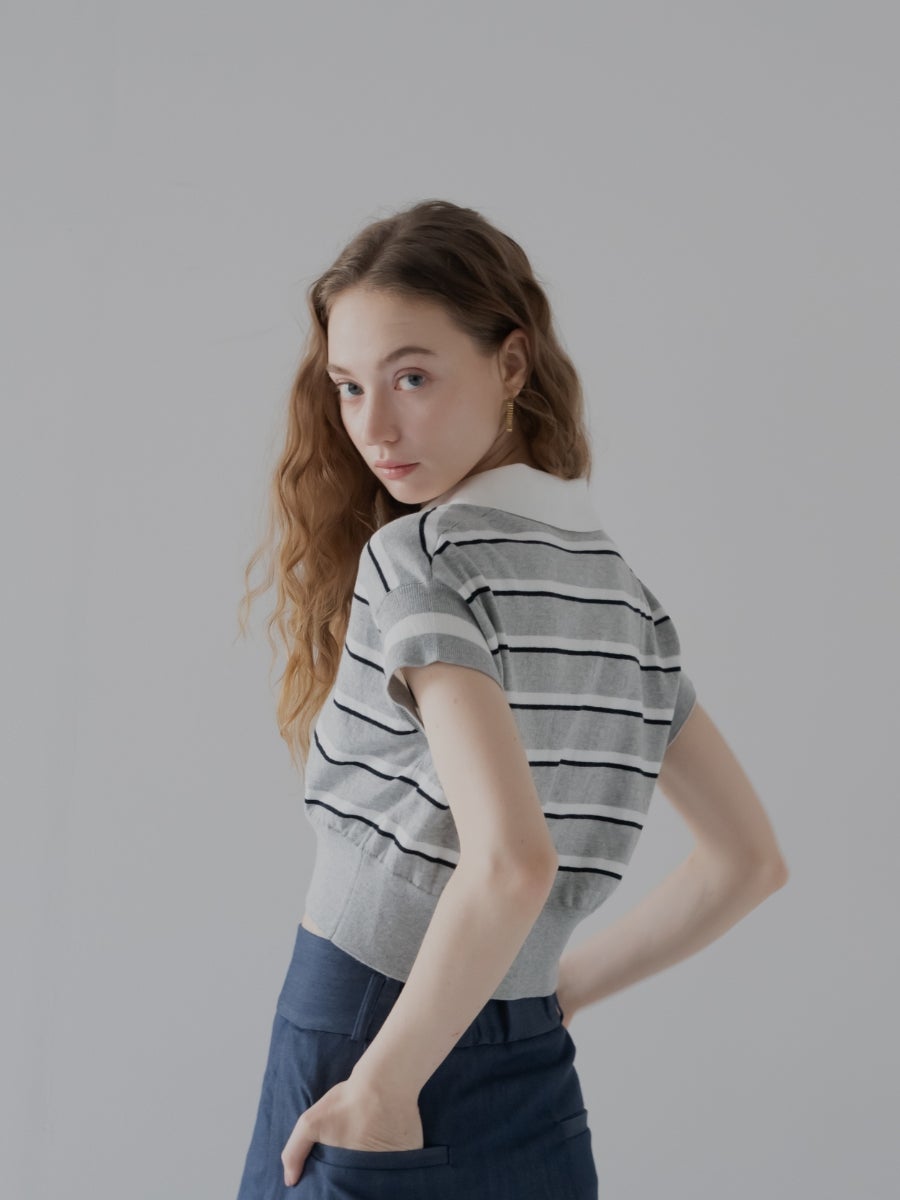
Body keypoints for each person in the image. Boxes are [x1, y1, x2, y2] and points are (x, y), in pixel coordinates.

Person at [234, 198, 789, 1199]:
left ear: (513, 363)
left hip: (366, 1035)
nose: (372, 427)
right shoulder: (626, 601)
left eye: (412, 377)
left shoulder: (420, 557)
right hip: (529, 1062)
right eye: (350, 387)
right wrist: (554, 991)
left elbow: (514, 861)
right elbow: (749, 862)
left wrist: (384, 1082)